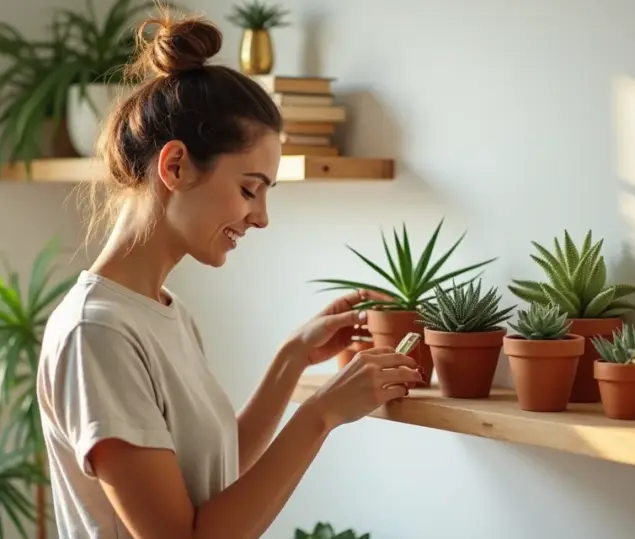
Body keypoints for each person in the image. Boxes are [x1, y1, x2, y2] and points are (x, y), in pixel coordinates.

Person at [35, 8, 423, 539]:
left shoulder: (164, 313)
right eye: (249, 188)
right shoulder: (97, 332)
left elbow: (213, 479)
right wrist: (321, 415)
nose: (261, 217)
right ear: (174, 167)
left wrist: (292, 359)